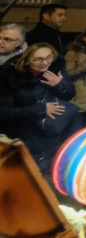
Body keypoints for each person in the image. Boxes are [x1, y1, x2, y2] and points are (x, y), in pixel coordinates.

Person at [0, 43, 77, 172]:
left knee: (54, 171)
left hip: (53, 132)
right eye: (38, 59)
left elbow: (69, 95)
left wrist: (59, 84)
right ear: (27, 61)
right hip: (25, 136)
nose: (45, 62)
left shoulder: (55, 70)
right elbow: (4, 112)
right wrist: (40, 109)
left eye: (49, 57)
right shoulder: (10, 78)